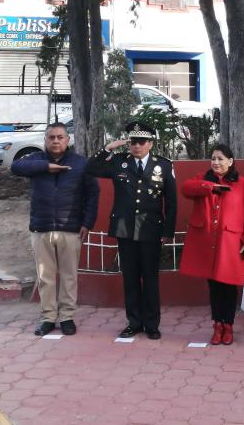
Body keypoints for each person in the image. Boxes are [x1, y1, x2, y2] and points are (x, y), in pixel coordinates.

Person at [86, 121, 176, 340]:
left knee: (150, 278)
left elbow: (171, 201)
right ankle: (134, 322)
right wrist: (108, 148)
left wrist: (168, 230)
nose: (137, 146)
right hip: (125, 228)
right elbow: (91, 168)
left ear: (151, 143)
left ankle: (152, 324)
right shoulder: (118, 162)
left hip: (150, 229)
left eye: (141, 142)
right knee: (130, 278)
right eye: (133, 141)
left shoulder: (163, 165)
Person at [11, 122, 99, 336]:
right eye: (51, 137)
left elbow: (93, 194)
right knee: (45, 277)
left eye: (60, 137)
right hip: (41, 229)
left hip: (71, 230)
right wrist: (45, 167)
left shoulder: (80, 164)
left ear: (68, 140)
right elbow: (15, 167)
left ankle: (67, 316)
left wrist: (88, 223)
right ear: (45, 140)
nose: (56, 141)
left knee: (69, 276)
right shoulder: (36, 161)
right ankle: (48, 317)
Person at [179, 144, 244, 345]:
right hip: (208, 243)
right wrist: (210, 186)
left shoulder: (243, 184)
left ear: (230, 162)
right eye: (213, 158)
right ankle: (217, 325)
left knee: (229, 286)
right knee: (214, 286)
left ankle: (228, 326)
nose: (215, 162)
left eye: (220, 158)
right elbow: (186, 188)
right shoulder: (203, 178)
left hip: (230, 244)